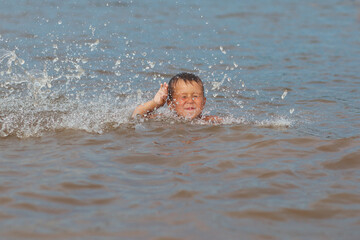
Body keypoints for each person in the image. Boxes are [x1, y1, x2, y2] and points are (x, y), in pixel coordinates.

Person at [131, 72, 221, 123]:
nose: (190, 101)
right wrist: (156, 103)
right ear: (171, 104)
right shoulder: (165, 119)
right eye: (184, 97)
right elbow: (136, 115)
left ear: (203, 102)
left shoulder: (209, 121)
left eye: (195, 96)